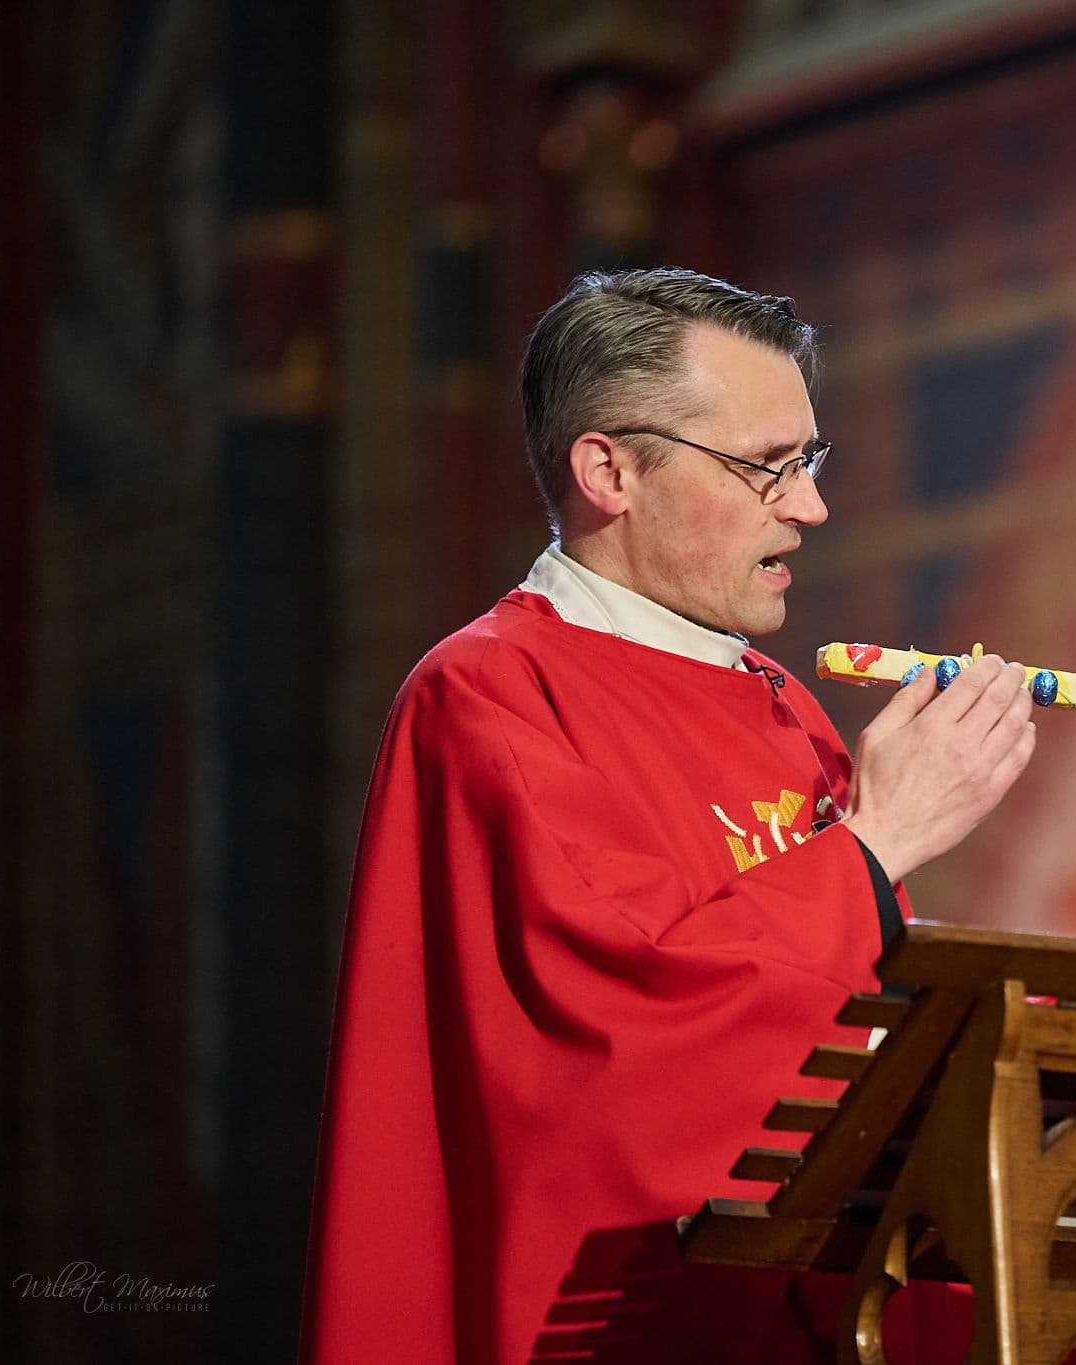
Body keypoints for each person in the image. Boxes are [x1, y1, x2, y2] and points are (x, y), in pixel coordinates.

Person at [299, 268, 1035, 1362]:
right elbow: (626, 1032)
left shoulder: (782, 706)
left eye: (809, 461)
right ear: (608, 471)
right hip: (619, 1316)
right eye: (764, 468)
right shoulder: (495, 693)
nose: (810, 506)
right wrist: (876, 844)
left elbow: (856, 1029)